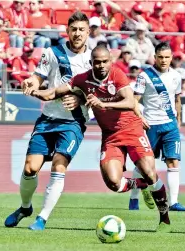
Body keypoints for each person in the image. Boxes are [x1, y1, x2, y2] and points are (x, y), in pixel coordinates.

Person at [29, 45, 172, 232]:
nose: (102, 65)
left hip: (132, 130)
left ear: (110, 62)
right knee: (113, 182)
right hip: (111, 136)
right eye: (97, 62)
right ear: (91, 63)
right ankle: (140, 184)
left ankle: (164, 219)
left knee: (150, 172)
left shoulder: (118, 75)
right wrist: (36, 91)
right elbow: (56, 92)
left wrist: (102, 103)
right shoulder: (82, 79)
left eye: (105, 61)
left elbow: (130, 102)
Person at [4, 11, 92, 231]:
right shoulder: (52, 53)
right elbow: (38, 76)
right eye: (74, 29)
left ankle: (42, 218)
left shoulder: (95, 60)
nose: (77, 33)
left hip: (73, 123)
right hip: (48, 119)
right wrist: (31, 83)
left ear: (88, 32)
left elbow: (99, 92)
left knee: (58, 165)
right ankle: (25, 208)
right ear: (67, 32)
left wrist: (80, 97)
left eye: (82, 29)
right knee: (30, 168)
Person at [129, 42, 185, 211]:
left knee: (173, 161)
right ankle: (134, 197)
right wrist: (139, 118)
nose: (164, 60)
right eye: (160, 57)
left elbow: (177, 99)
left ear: (171, 58)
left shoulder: (176, 76)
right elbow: (135, 100)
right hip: (151, 125)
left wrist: (179, 119)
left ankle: (174, 202)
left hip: (170, 125)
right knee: (144, 165)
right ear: (154, 57)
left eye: (167, 57)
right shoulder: (145, 76)